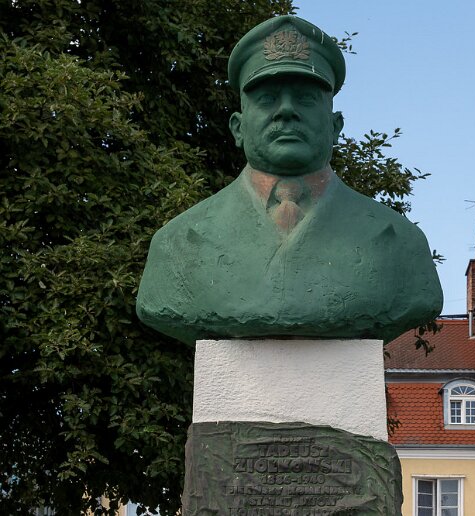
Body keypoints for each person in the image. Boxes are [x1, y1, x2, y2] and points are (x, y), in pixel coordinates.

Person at [136, 15, 443, 344]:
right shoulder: (178, 242)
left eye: (306, 98)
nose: (286, 111)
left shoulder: (400, 241)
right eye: (267, 98)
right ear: (238, 128)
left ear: (336, 127)